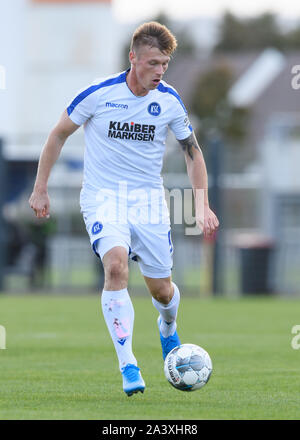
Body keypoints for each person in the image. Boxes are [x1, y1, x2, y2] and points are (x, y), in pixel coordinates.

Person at [29, 22, 219, 397]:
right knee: (115, 265)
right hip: (103, 197)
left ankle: (168, 329)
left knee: (162, 291)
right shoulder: (99, 94)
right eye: (153, 63)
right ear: (133, 58)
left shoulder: (169, 100)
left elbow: (191, 151)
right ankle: (128, 365)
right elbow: (58, 134)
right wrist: (40, 188)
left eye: (165, 63)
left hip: (149, 202)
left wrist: (201, 204)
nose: (160, 71)